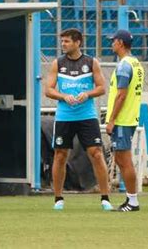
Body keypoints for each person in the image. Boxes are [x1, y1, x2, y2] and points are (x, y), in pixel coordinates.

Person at [45, 28, 113, 211]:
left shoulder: (91, 63)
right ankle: (58, 199)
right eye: (62, 41)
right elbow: (48, 89)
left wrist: (87, 94)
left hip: (87, 116)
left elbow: (101, 88)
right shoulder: (57, 64)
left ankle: (105, 198)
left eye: (67, 41)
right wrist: (63, 96)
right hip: (64, 117)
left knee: (96, 153)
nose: (63, 44)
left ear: (78, 43)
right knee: (60, 155)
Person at [105, 30, 144, 212]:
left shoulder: (123, 66)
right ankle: (130, 199)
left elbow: (121, 95)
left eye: (113, 41)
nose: (111, 44)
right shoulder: (135, 63)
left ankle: (133, 201)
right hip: (129, 117)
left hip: (122, 119)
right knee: (121, 160)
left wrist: (111, 119)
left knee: (124, 160)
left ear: (120, 43)